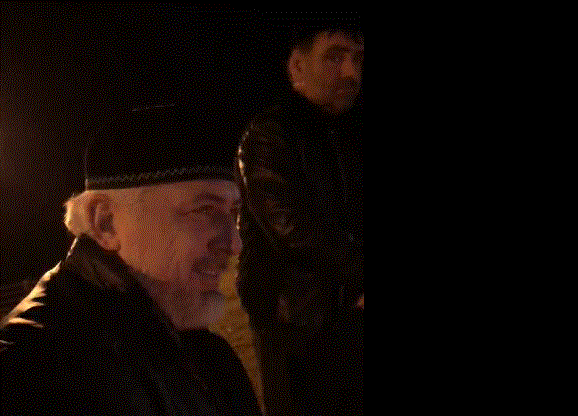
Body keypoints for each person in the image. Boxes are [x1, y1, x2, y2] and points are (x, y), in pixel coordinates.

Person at [0, 103, 262, 415]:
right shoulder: (34, 371)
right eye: (204, 210)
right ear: (106, 223)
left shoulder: (202, 349)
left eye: (233, 212)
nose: (234, 244)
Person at [235, 18, 364, 416]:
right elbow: (292, 228)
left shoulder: (348, 132)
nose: (351, 73)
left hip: (345, 315)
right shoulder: (270, 134)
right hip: (295, 325)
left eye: (358, 59)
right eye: (335, 57)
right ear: (297, 67)